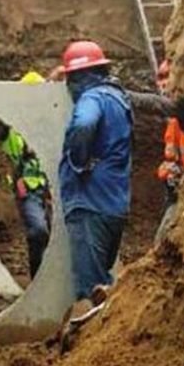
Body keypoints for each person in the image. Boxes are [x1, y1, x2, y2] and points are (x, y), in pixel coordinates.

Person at [57, 40, 134, 307]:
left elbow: (84, 124)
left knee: (90, 287)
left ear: (77, 77)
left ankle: (92, 341)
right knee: (103, 280)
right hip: (114, 202)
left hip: (89, 200)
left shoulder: (92, 98)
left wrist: (78, 160)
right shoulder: (118, 97)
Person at [0, 71, 52, 278]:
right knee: (38, 231)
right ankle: (38, 279)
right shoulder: (11, 128)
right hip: (28, 189)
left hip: (50, 189)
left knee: (55, 237)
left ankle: (48, 279)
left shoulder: (50, 123)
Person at [154, 59, 184, 244]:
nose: (162, 84)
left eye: (167, 76)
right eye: (160, 77)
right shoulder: (174, 123)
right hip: (182, 195)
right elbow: (172, 160)